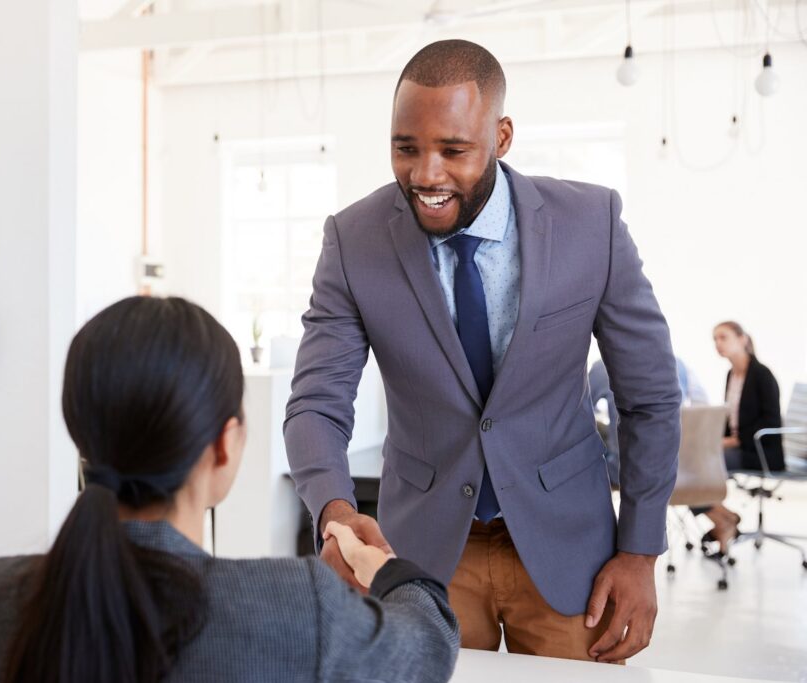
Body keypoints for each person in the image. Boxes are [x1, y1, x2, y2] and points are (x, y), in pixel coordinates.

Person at [284, 39, 681, 664]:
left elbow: (650, 397)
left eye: (454, 150)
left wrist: (640, 550)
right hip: (420, 551)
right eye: (406, 147)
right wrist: (334, 511)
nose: (426, 174)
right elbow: (315, 403)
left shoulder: (591, 223)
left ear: (501, 135)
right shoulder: (352, 240)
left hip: (569, 548)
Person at [0, 296, 458, 683]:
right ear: (224, 446)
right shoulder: (294, 605)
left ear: (81, 440)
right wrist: (386, 570)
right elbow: (429, 649)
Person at [692, 321, 784, 552]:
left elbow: (771, 421)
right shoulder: (731, 375)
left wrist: (736, 441)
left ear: (742, 339)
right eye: (715, 339)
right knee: (684, 462)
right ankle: (726, 518)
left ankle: (724, 523)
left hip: (760, 452)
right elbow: (731, 420)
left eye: (723, 337)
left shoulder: (762, 375)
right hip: (737, 447)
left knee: (694, 469)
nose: (718, 344)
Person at [589, 357, 708, 487]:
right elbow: (701, 408)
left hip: (624, 469)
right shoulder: (679, 364)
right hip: (676, 467)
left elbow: (583, 408)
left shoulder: (602, 365)